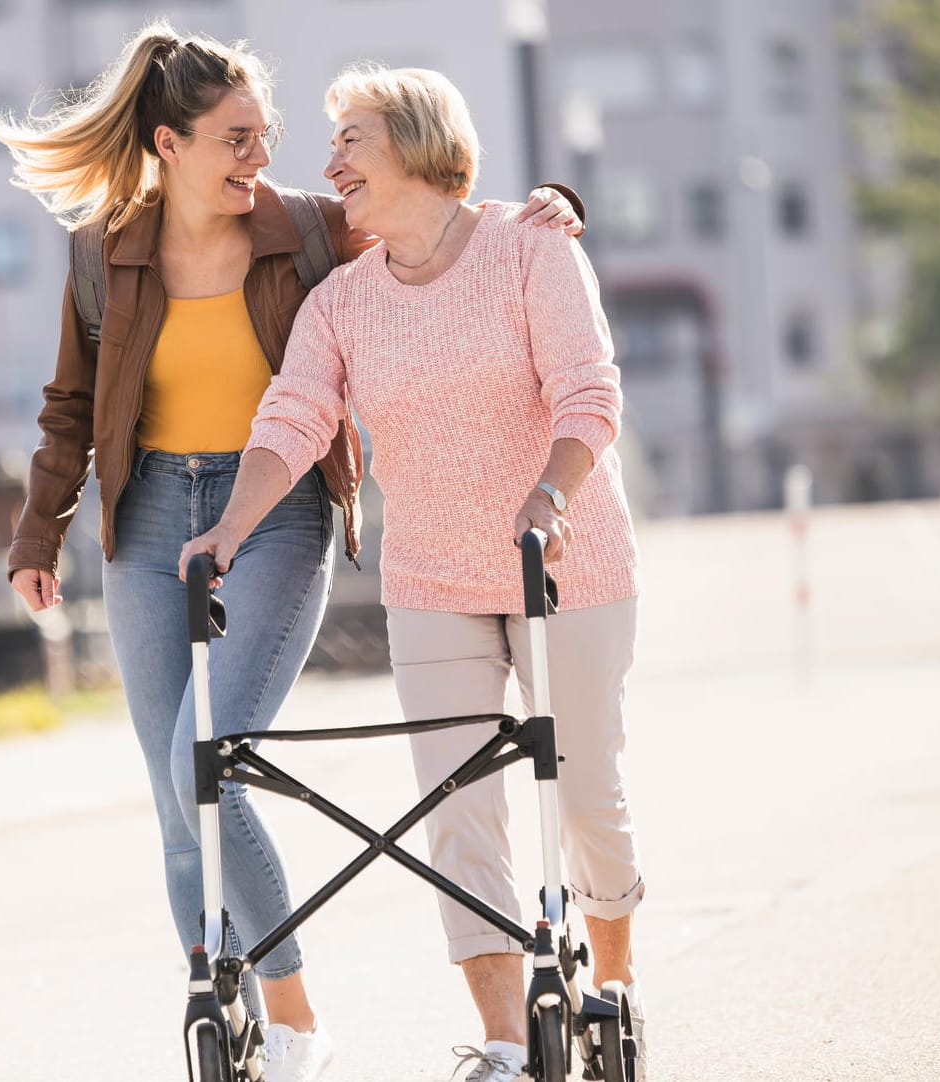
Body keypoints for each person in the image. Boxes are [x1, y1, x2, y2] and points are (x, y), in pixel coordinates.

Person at [0, 24, 584, 1082]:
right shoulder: (104, 252)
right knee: (173, 792)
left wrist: (545, 204)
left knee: (202, 764)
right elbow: (71, 405)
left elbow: (438, 228)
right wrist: (40, 532)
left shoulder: (311, 232)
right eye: (238, 138)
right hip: (149, 518)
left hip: (276, 508)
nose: (262, 157)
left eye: (263, 135)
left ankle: (295, 1012)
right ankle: (225, 1009)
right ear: (169, 144)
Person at [178, 65, 646, 1082]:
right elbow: (293, 418)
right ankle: (508, 1041)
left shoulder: (532, 251)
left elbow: (588, 393)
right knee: (457, 801)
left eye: (355, 138)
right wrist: (227, 528)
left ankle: (609, 975)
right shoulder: (344, 301)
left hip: (561, 558)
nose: (332, 159)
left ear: (421, 145)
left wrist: (552, 496)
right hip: (433, 574)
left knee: (586, 791)